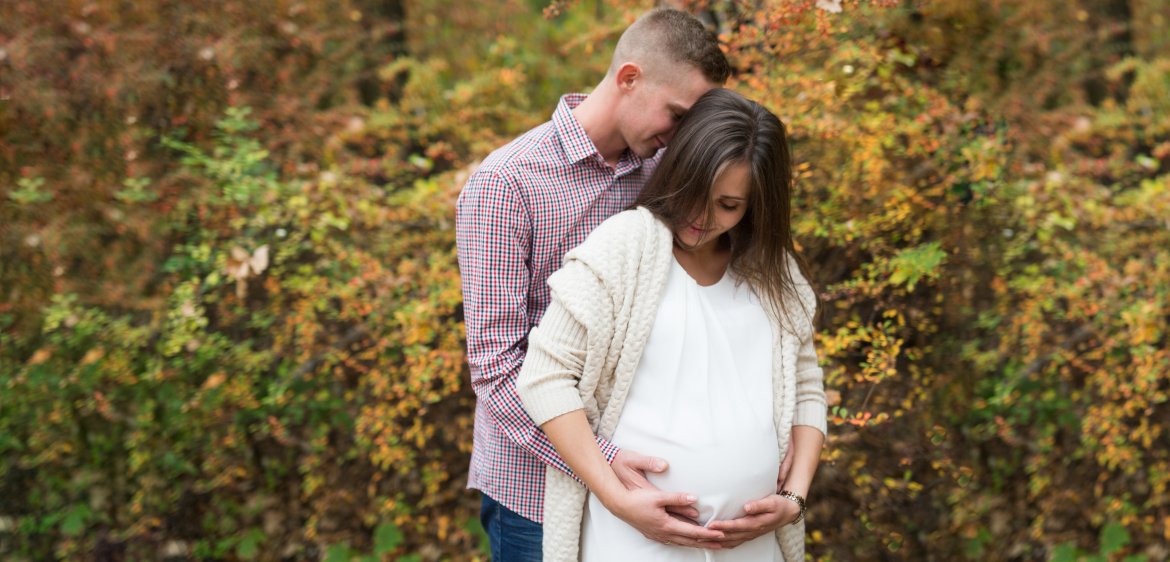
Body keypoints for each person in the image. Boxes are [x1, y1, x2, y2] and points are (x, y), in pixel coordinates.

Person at [455, 8, 732, 560]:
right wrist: (605, 464)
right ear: (629, 78)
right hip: (532, 491)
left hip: (650, 483)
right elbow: (496, 368)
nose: (680, 138)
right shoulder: (506, 185)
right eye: (677, 116)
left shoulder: (665, 171)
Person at [516, 88, 828, 561]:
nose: (702, 218)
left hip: (753, 547)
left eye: (728, 205)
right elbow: (544, 378)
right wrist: (618, 499)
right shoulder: (625, 247)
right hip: (634, 542)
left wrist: (793, 499)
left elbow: (806, 386)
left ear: (755, 204)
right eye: (695, 194)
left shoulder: (773, 270)